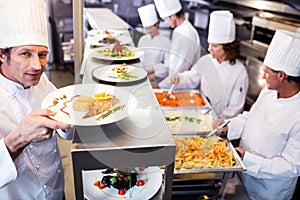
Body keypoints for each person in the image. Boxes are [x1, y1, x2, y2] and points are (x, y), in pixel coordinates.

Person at [0, 0, 74, 199]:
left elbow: (65, 128)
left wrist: (74, 118)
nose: (37, 65)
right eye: (25, 54)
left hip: (57, 190)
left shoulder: (41, 82)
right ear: (2, 55)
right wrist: (19, 139)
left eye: (42, 55)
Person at [214, 29, 300, 200]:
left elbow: (292, 166)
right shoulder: (268, 91)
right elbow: (249, 118)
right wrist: (227, 127)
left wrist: (248, 159)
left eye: (267, 72)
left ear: (282, 75)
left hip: (267, 191)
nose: (263, 75)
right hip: (242, 174)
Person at [171, 11, 249, 119]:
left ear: (228, 47)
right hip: (199, 112)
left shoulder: (240, 72)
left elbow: (234, 109)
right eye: (209, 44)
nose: (209, 49)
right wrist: (178, 78)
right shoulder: (207, 61)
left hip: (220, 122)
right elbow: (191, 77)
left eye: (215, 46)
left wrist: (213, 119)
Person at [153, 0, 201, 88]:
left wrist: (159, 86)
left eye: (165, 19)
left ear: (173, 16)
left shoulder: (186, 35)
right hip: (173, 85)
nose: (166, 23)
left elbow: (178, 73)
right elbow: (172, 63)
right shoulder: (179, 30)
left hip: (181, 88)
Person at [137, 4, 170, 84]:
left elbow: (167, 66)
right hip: (140, 76)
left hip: (156, 80)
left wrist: (152, 75)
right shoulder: (143, 39)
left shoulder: (166, 42)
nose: (148, 31)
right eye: (146, 28)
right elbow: (138, 59)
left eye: (150, 28)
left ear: (157, 24)